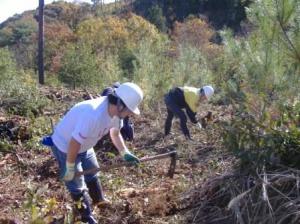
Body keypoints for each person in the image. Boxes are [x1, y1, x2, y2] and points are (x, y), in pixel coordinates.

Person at [45, 82, 143, 224]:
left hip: (85, 144)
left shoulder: (117, 115)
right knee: (76, 183)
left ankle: (99, 200)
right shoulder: (93, 114)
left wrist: (124, 152)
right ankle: (86, 217)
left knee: (93, 172)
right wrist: (70, 165)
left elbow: (115, 133)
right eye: (129, 110)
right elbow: (74, 142)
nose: (130, 114)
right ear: (121, 104)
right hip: (66, 146)